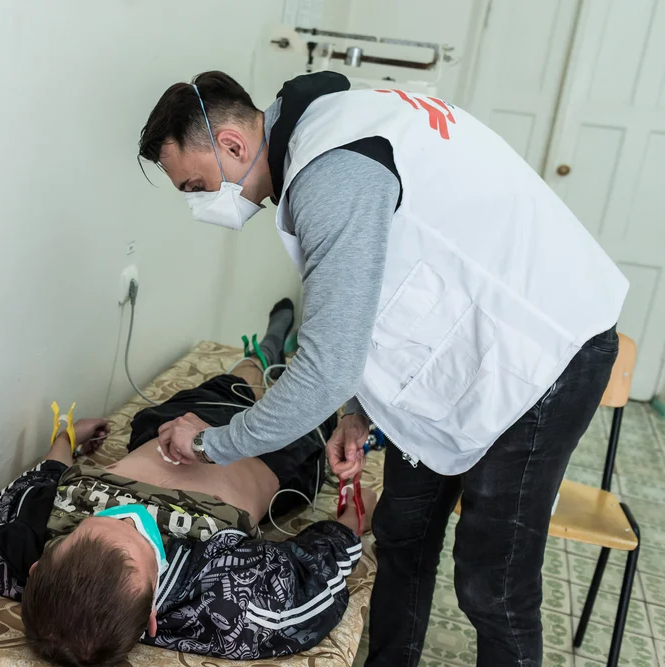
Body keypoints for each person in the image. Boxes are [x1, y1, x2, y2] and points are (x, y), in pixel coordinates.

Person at [140, 70, 627, 666]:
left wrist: (214, 443)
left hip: (541, 354)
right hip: (472, 346)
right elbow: (374, 297)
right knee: (402, 535)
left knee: (491, 585)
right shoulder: (331, 128)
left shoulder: (331, 168)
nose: (199, 204)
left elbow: (325, 367)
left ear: (235, 146)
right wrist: (358, 414)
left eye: (195, 185)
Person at [0, 300, 376, 667]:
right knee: (312, 392)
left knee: (238, 378)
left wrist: (67, 439)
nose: (129, 517)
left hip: (174, 426)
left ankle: (265, 348)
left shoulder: (2, 553)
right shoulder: (230, 599)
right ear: (151, 615)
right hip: (275, 453)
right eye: (137, 540)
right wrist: (355, 518)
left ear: (37, 569)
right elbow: (316, 574)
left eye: (102, 522)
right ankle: (289, 355)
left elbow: (42, 481)